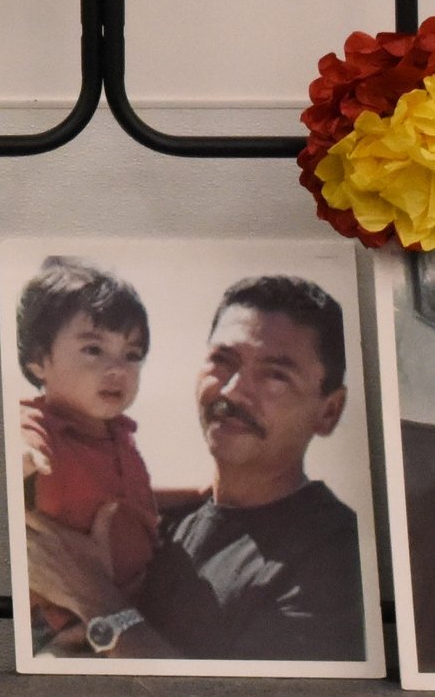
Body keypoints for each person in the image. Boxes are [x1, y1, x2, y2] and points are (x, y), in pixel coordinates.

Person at [28, 276, 367, 664]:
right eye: (223, 361)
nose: (232, 390)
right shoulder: (166, 523)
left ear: (329, 411)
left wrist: (93, 598)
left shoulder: (336, 557)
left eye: (275, 374)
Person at [13, 256, 160, 650]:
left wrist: (204, 496)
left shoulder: (122, 438)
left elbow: (135, 505)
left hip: (127, 610)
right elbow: (21, 448)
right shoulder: (39, 423)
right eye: (94, 350)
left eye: (132, 354)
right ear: (38, 361)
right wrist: (24, 460)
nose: (118, 369)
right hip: (56, 620)